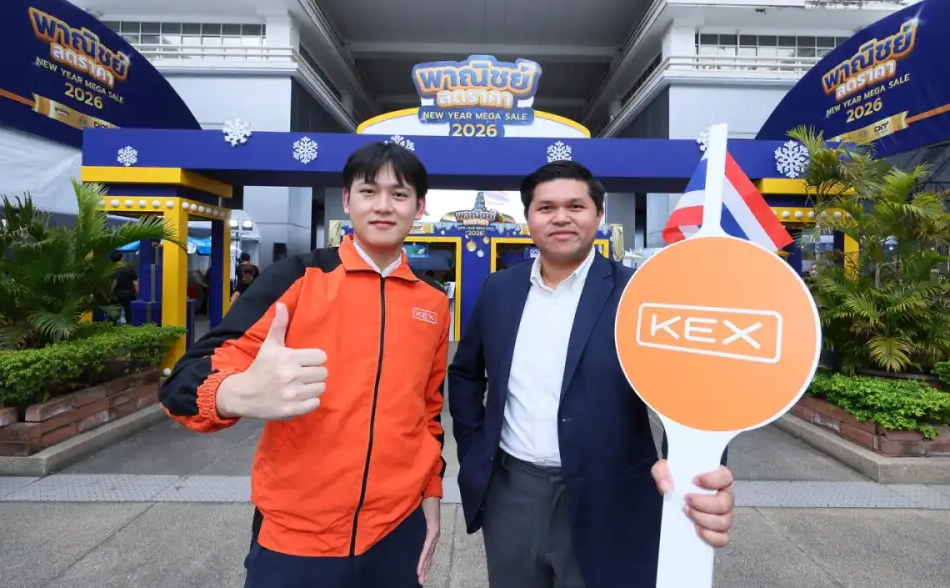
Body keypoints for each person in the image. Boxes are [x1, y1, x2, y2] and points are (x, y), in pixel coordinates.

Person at [158, 141, 450, 588]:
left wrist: (431, 492)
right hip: (296, 536)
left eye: (399, 194)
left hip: (397, 529)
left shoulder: (432, 303)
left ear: (419, 207)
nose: (383, 205)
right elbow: (183, 383)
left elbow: (428, 410)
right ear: (347, 200)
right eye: (369, 191)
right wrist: (237, 394)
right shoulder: (296, 278)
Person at [448, 161, 736, 588]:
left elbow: (689, 390)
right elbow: (466, 374)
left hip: (610, 495)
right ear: (528, 217)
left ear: (599, 214)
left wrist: (693, 467)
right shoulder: (499, 290)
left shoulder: (640, 294)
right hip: (511, 491)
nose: (561, 218)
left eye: (575, 206)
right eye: (546, 208)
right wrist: (475, 447)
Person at [110, 251, 138, 323]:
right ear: (121, 258)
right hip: (129, 295)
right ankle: (129, 327)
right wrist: (137, 293)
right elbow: (135, 283)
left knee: (114, 315)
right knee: (129, 314)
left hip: (115, 295)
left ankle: (112, 327)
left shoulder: (110, 270)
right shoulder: (129, 269)